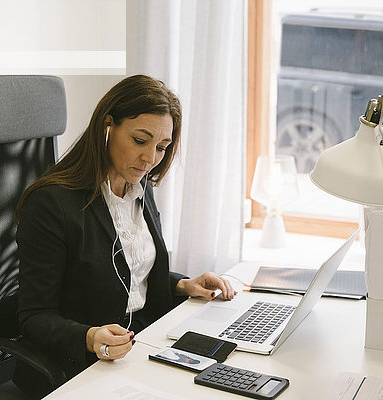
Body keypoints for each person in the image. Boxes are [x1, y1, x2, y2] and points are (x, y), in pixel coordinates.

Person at [14, 74, 236, 387]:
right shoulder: (52, 203)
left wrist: (182, 284)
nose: (150, 159)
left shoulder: (139, 185)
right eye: (140, 140)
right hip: (77, 366)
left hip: (142, 344)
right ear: (107, 127)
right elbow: (34, 317)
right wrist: (91, 337)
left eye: (161, 147)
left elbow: (126, 271)